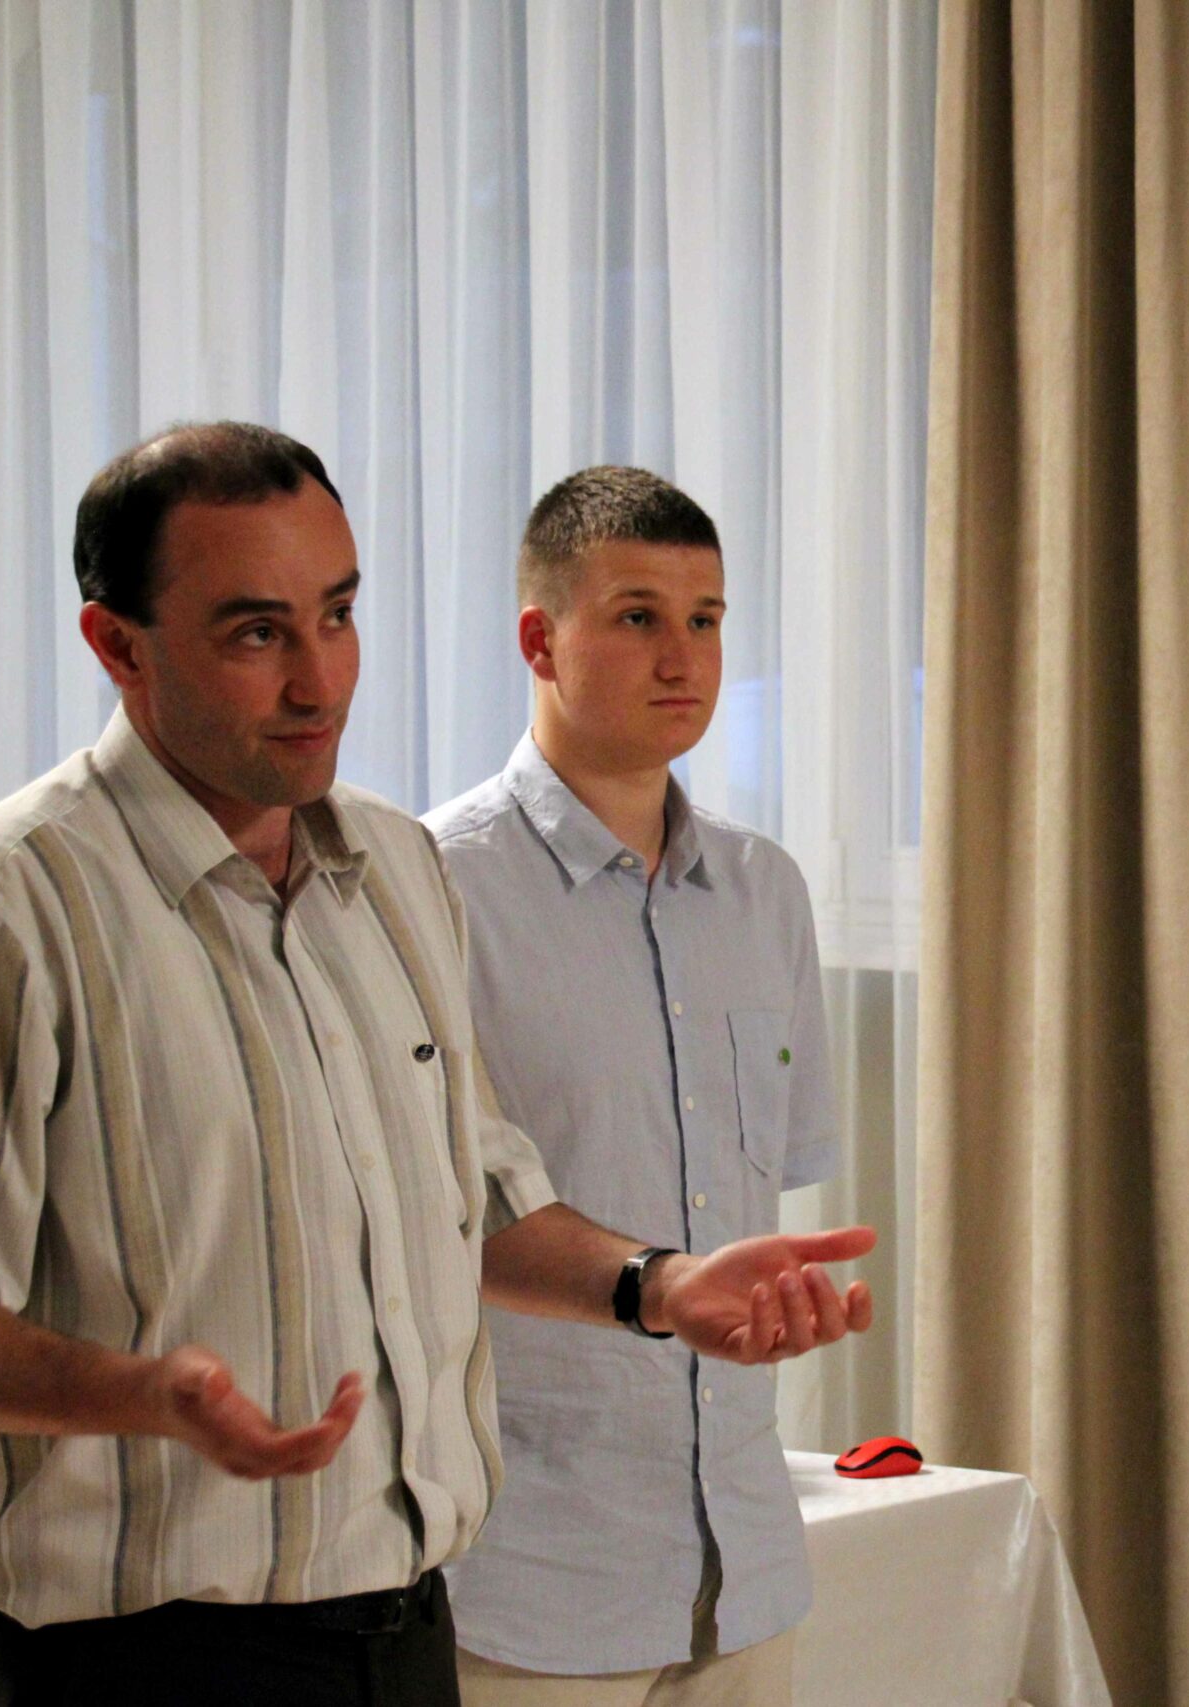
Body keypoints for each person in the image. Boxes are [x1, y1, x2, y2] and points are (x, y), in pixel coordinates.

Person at [0, 423, 875, 1707]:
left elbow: (478, 1199)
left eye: (339, 615)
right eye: (257, 633)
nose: (319, 682)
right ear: (119, 646)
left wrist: (659, 1284)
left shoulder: (394, 871)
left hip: (403, 1632)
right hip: (135, 1661)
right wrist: (140, 1394)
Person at [424, 467, 843, 1706]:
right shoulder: (433, 886)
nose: (683, 657)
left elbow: (768, 1181)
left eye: (705, 620)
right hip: (530, 1570)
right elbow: (426, 1216)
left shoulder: (764, 892)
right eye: (637, 616)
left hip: (743, 1562)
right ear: (538, 641)